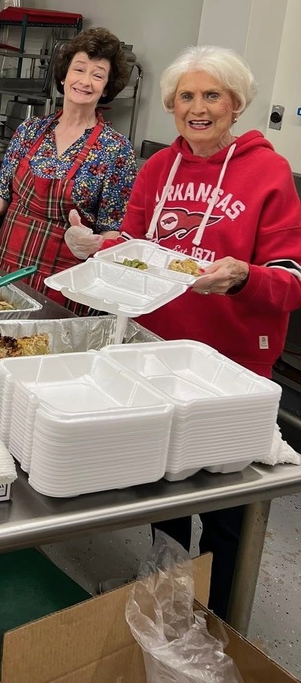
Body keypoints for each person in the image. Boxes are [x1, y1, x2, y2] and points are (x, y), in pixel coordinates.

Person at [65, 44, 301, 616]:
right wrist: (96, 245)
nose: (198, 108)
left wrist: (245, 277)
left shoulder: (268, 173)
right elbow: (136, 247)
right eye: (186, 97)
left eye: (211, 95)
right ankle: (167, 605)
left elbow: (292, 278)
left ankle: (220, 619)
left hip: (232, 366)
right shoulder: (157, 168)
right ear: (172, 106)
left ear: (236, 103)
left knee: (227, 506)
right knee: (165, 489)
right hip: (157, 356)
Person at [0, 27, 137, 304]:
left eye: (97, 75)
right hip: (9, 265)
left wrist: (95, 243)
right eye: (79, 70)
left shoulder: (115, 149)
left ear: (107, 87)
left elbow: (113, 229)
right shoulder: (31, 130)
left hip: (68, 281)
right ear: (63, 75)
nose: (85, 81)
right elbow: (3, 195)